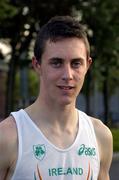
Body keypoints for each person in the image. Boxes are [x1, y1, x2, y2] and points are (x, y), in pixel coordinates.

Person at [0, 16, 113, 180]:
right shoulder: (7, 137)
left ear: (88, 65)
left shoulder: (100, 136)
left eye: (76, 63)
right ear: (37, 65)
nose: (68, 75)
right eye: (57, 63)